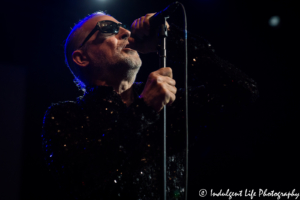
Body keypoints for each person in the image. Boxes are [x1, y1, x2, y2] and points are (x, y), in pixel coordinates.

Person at [42, 11, 258, 200]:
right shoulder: (66, 115)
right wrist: (144, 109)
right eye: (108, 28)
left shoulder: (170, 107)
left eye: (122, 26)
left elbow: (241, 91)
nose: (126, 32)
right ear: (81, 58)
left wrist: (172, 41)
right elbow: (81, 178)